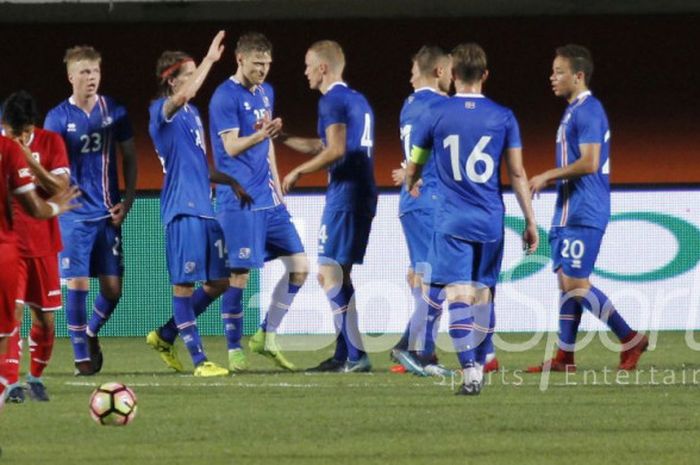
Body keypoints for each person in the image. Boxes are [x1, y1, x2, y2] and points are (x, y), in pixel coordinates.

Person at [406, 43, 538, 395]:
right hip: (491, 219)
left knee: (458, 295)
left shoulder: (435, 113)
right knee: (483, 295)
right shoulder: (503, 116)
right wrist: (530, 221)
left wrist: (410, 179)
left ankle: (470, 373)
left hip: (451, 220)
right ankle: (481, 360)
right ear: (485, 75)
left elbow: (415, 160)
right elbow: (517, 172)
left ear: (452, 74)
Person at [526, 44, 648, 373]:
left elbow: (591, 162)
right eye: (552, 71)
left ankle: (630, 337)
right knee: (566, 284)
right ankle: (565, 357)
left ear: (578, 76)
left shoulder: (589, 110)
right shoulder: (572, 111)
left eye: (559, 72)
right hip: (568, 210)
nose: (552, 77)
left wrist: (548, 174)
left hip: (585, 209)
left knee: (576, 283)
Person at [146, 31, 252, 377]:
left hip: (205, 209)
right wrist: (209, 60)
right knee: (184, 284)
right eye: (187, 73)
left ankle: (165, 335)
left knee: (219, 283)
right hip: (182, 209)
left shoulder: (192, 115)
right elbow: (187, 92)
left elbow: (199, 165)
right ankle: (199, 361)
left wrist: (231, 181)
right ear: (172, 80)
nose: (194, 80)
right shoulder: (161, 112)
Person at [208, 32, 308, 372]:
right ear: (240, 60)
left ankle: (266, 335)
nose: (263, 70)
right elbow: (232, 147)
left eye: (267, 64)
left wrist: (278, 182)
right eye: (257, 64)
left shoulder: (267, 92)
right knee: (239, 276)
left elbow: (266, 145)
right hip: (241, 200)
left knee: (300, 267)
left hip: (269, 198)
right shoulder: (224, 97)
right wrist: (262, 134)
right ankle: (234, 349)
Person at [280, 40, 378, 373]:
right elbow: (324, 144)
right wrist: (282, 138)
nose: (305, 71)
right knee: (340, 274)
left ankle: (355, 355)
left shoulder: (331, 100)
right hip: (362, 192)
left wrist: (297, 171)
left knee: (327, 272)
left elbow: (335, 151)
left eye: (308, 65)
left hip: (345, 194)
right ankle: (343, 354)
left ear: (323, 68)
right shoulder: (356, 100)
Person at [44, 45, 138, 375]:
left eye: (95, 71)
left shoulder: (113, 110)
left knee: (113, 290)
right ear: (71, 76)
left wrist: (127, 200)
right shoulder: (57, 118)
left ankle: (90, 332)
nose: (91, 77)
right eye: (84, 72)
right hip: (73, 217)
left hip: (108, 215)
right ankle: (81, 357)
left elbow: (129, 157)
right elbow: (51, 167)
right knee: (78, 284)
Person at [0, 135, 79, 410]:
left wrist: (30, 161)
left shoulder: (49, 143)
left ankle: (34, 378)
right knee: (12, 317)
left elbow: (59, 186)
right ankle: (10, 383)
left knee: (45, 320)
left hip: (43, 246)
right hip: (10, 249)